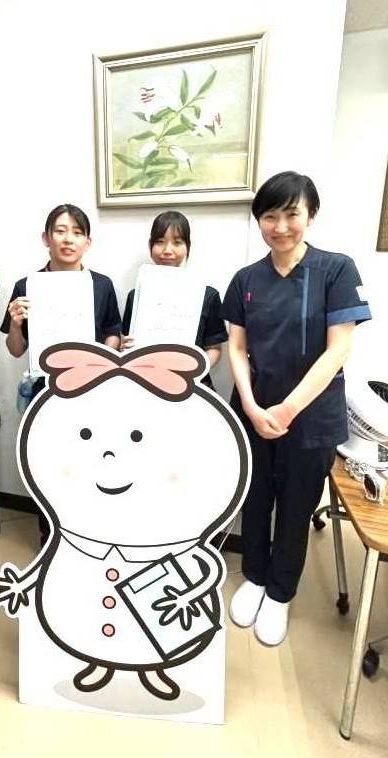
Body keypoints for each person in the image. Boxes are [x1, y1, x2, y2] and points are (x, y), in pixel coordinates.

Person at [221, 171, 372, 646]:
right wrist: (250, 404)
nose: (281, 226)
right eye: (270, 216)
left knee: (296, 504)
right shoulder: (246, 279)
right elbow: (237, 347)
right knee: (255, 496)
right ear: (259, 221)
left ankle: (281, 592)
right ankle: (255, 576)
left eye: (292, 214)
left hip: (310, 416)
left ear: (311, 215)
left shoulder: (336, 270)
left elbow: (338, 349)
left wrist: (286, 410)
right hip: (254, 408)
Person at [0, 203, 122, 543]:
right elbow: (16, 350)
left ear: (88, 242)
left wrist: (103, 360)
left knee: (93, 462)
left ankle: (90, 537)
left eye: (77, 233)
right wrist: (16, 323)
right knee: (49, 465)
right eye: (60, 231)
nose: (68, 239)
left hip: (93, 389)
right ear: (46, 238)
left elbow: (113, 331)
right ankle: (50, 537)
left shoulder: (101, 285)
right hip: (46, 390)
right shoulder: (27, 285)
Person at [121, 211, 227, 387]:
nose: (167, 250)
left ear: (187, 247)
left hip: (192, 385)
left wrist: (193, 372)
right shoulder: (136, 296)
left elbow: (214, 348)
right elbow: (126, 340)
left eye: (177, 242)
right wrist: (125, 347)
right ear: (150, 246)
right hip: (144, 383)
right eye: (160, 242)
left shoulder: (208, 295)